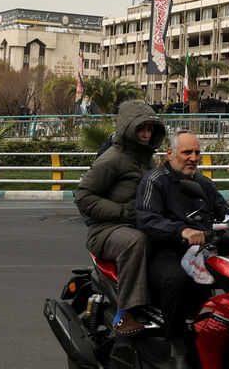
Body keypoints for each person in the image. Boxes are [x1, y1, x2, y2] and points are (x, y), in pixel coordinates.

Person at [136, 130, 229, 352]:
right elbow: (147, 219)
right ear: (170, 153)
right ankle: (177, 346)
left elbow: (226, 213)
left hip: (202, 250)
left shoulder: (204, 183)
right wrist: (181, 230)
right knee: (177, 280)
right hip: (166, 250)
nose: (193, 157)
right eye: (187, 152)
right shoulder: (154, 181)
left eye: (197, 153)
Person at [73, 99, 166, 337]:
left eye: (149, 129)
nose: (146, 134)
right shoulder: (112, 159)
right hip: (105, 231)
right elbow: (83, 196)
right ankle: (123, 313)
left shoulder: (147, 158)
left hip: (135, 225)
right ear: (128, 128)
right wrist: (123, 213)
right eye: (140, 129)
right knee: (136, 242)